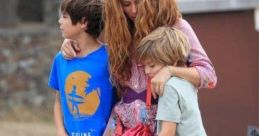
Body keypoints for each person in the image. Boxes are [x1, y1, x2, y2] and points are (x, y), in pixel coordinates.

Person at [61, 0, 217, 135]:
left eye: (139, 2)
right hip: (121, 124)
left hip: (162, 123)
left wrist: (169, 71)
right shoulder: (117, 27)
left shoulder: (176, 26)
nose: (133, 10)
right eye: (126, 4)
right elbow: (87, 32)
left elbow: (209, 76)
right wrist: (73, 42)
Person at [48, 0, 115, 135]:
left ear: (83, 22)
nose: (60, 21)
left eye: (65, 17)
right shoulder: (60, 59)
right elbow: (59, 101)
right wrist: (61, 132)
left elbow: (120, 101)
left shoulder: (110, 58)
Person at [136, 27, 207, 136]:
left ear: (172, 62)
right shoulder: (187, 81)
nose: (146, 71)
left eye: (152, 66)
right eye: (144, 66)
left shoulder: (169, 88)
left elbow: (167, 132)